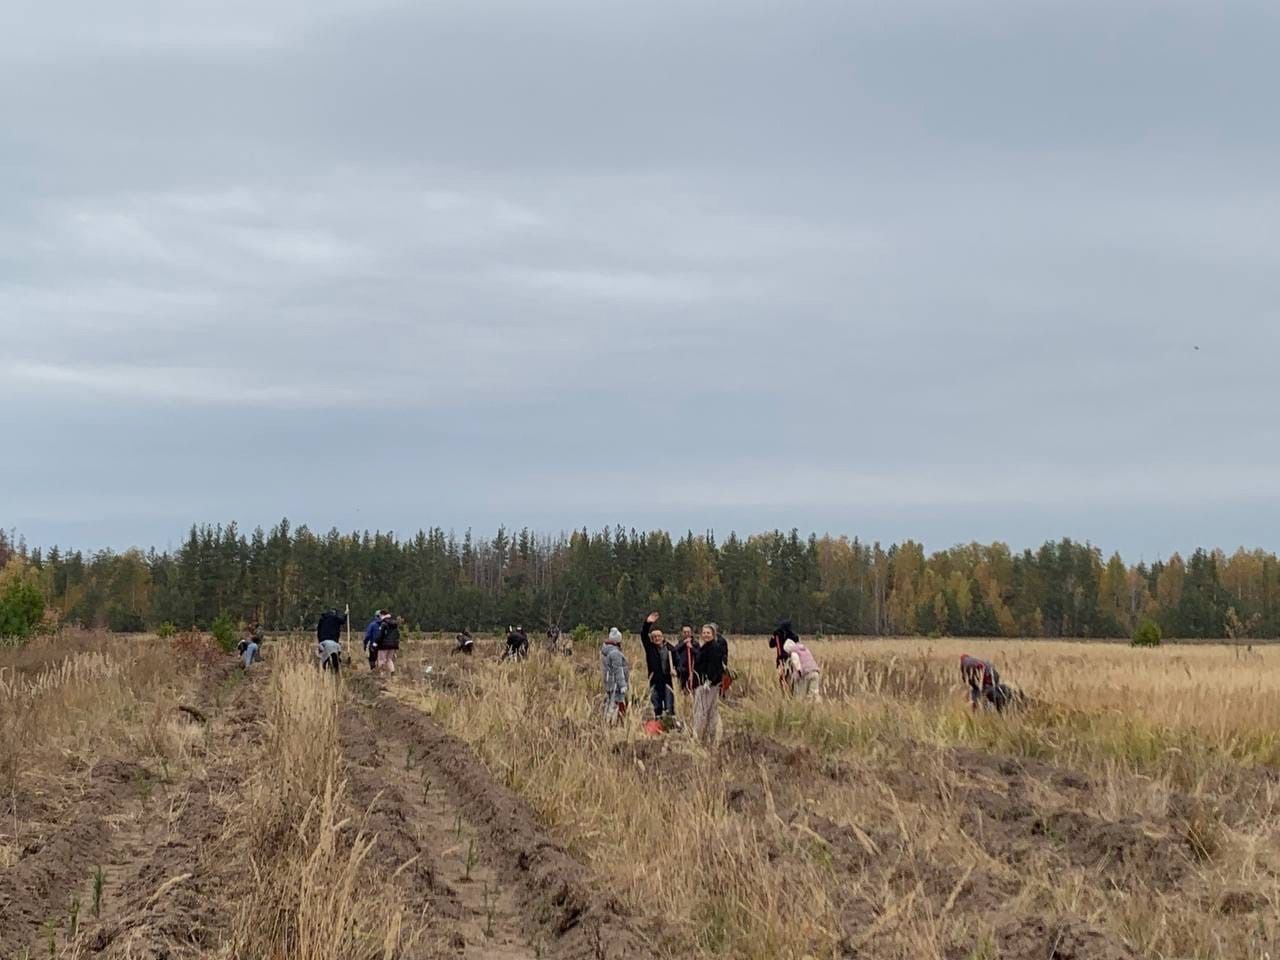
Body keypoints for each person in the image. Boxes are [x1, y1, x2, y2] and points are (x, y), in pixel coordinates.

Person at [692, 623, 728, 745]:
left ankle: (699, 737)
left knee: (702, 711)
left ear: (713, 634)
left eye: (708, 633)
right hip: (705, 683)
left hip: (708, 685)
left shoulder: (714, 647)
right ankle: (711, 737)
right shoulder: (705, 646)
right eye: (704, 633)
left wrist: (709, 680)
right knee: (711, 711)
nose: (705, 635)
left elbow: (716, 666)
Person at [640, 611, 675, 719]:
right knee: (656, 704)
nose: (657, 638)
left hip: (668, 680)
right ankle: (658, 721)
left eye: (659, 636)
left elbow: (678, 661)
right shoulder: (650, 648)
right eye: (654, 636)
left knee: (669, 703)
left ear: (663, 637)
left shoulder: (670, 648)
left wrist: (676, 670)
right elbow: (643, 634)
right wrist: (647, 623)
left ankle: (669, 722)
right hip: (654, 680)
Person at [601, 627, 629, 724]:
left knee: (610, 702)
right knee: (615, 703)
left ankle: (608, 722)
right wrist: (623, 685)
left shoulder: (607, 651)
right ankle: (612, 723)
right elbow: (618, 670)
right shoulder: (615, 653)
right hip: (616, 684)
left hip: (609, 682)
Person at [769, 620, 800, 693]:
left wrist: (773, 636)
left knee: (782, 678)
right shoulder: (794, 636)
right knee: (791, 677)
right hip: (792, 659)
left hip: (781, 660)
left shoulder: (777, 634)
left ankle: (784, 694)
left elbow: (771, 645)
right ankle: (791, 693)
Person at [672, 625, 700, 697]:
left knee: (692, 688)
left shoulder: (695, 643)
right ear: (682, 633)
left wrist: (691, 647)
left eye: (688, 632)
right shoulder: (680, 643)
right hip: (682, 670)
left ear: (691, 633)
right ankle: (684, 703)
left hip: (693, 670)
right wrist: (684, 643)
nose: (686, 634)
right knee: (682, 689)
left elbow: (699, 655)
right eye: (685, 632)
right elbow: (674, 651)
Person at [316, 608, 347, 673]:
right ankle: (336, 670)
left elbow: (318, 631)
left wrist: (319, 641)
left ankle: (324, 671)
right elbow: (343, 621)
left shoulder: (322, 619)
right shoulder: (335, 619)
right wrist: (346, 614)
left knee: (324, 658)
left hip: (323, 642)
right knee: (335, 656)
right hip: (333, 642)